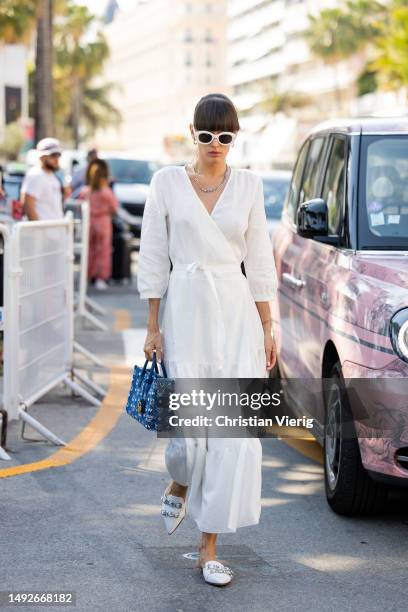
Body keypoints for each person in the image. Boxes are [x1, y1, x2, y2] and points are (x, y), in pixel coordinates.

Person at [137, 93, 278, 586]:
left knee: (231, 434)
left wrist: (268, 324)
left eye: (225, 136)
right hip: (186, 310)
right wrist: (153, 326)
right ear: (191, 133)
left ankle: (209, 546)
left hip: (236, 311)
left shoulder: (251, 186)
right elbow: (154, 255)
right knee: (189, 433)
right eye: (206, 135)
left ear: (234, 138)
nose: (215, 145)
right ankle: (179, 477)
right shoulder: (167, 183)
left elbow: (259, 258)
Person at [78, 158, 119, 290]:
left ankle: (88, 275)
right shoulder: (106, 192)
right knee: (103, 251)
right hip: (103, 221)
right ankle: (100, 278)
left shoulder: (85, 191)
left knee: (89, 250)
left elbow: (78, 205)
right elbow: (115, 208)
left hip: (89, 221)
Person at [21, 138, 65, 220]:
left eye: (58, 155)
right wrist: (38, 229)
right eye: (53, 155)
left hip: (54, 230)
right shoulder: (35, 175)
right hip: (42, 231)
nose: (57, 159)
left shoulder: (53, 177)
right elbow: (29, 207)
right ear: (42, 157)